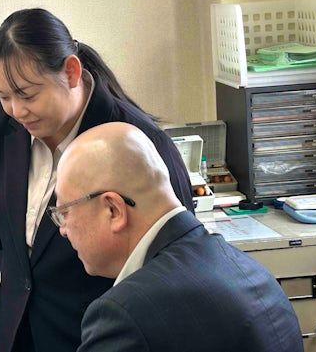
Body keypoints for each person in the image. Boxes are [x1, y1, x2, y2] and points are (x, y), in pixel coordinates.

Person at [0, 8, 195, 352]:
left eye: (27, 95)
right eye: (4, 96)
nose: (17, 111)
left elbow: (174, 253)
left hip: (96, 334)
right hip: (16, 329)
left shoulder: (136, 140)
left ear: (70, 72)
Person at [52, 122, 303, 352]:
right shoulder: (252, 272)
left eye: (65, 212)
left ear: (113, 210)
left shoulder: (125, 315)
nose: (63, 229)